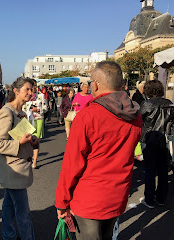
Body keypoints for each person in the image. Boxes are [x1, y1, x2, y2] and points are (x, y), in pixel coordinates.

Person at [55, 62, 142, 239]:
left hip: (89, 199)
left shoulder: (89, 115)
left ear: (95, 84)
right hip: (118, 194)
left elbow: (72, 163)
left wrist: (62, 201)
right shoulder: (135, 114)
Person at [0, 77, 38, 240]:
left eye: (32, 89)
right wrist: (19, 143)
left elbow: (20, 139)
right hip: (13, 170)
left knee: (9, 206)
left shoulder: (21, 113)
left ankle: (8, 235)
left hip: (17, 167)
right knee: (23, 213)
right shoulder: (6, 113)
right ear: (16, 91)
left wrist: (32, 141)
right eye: (27, 89)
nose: (31, 93)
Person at [139, 80, 173, 208]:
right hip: (164, 140)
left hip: (149, 139)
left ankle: (149, 199)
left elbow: (138, 120)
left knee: (150, 170)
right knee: (163, 170)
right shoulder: (169, 104)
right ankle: (161, 198)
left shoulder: (146, 104)